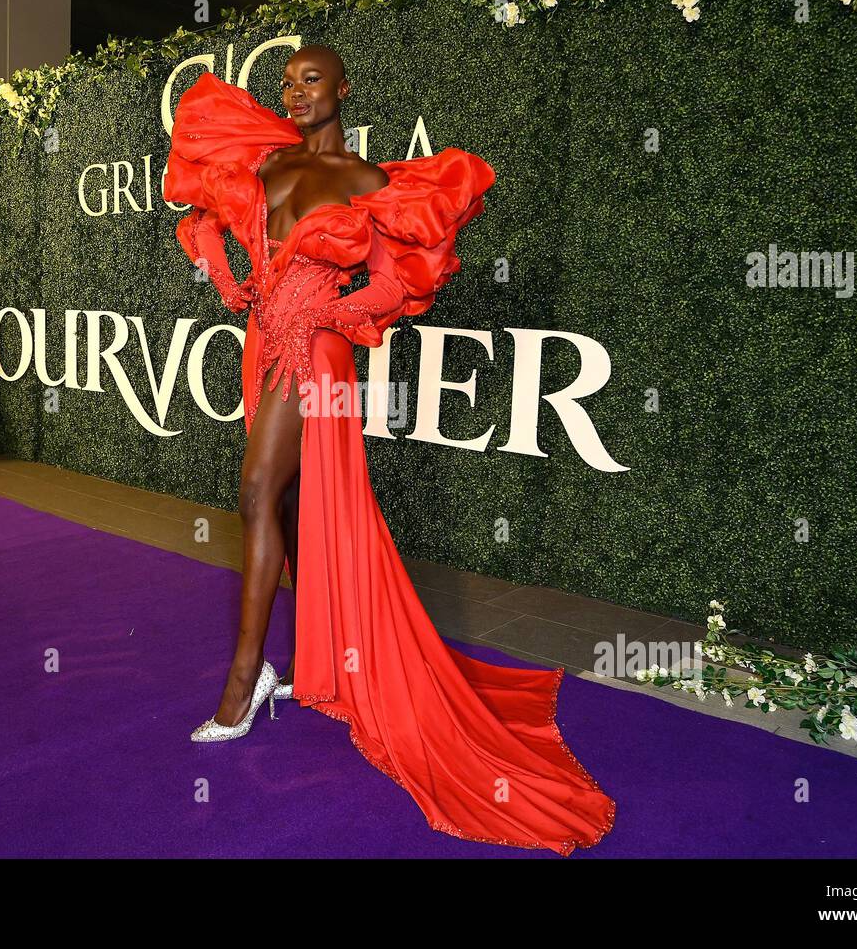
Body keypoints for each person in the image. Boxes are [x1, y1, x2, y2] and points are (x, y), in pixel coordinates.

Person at [164, 45, 615, 855]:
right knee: (290, 499)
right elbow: (204, 219)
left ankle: (244, 680)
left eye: (311, 80)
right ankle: (318, 656)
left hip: (317, 354)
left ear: (344, 87)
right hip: (262, 339)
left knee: (259, 491)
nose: (294, 92)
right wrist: (235, 287)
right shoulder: (265, 166)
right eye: (288, 81)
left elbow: (406, 281)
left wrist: (330, 317)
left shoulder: (372, 182)